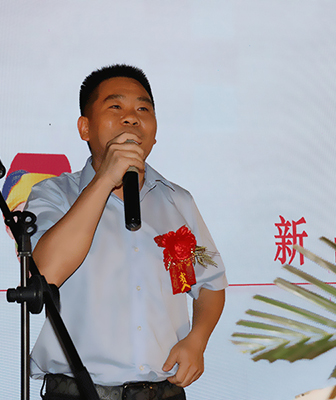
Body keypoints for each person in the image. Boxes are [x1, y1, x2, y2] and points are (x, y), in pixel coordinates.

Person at [25, 64, 227, 400]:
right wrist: (106, 178)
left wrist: (198, 339)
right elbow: (46, 272)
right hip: (78, 394)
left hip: (162, 393)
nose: (131, 118)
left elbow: (210, 283)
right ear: (85, 128)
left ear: (155, 131)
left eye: (143, 109)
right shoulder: (54, 195)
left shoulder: (178, 201)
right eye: (115, 106)